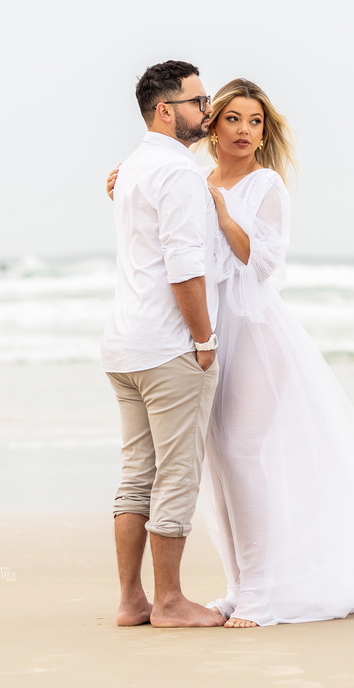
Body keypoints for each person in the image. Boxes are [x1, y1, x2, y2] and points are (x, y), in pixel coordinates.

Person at [107, 78, 354, 628]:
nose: (245, 130)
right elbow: (163, 209)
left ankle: (264, 594)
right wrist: (125, 180)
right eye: (233, 119)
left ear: (265, 134)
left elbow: (263, 265)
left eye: (256, 122)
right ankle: (240, 587)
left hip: (255, 336)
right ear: (212, 127)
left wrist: (222, 216)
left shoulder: (266, 186)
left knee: (243, 457)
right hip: (208, 335)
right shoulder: (194, 177)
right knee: (216, 466)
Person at [100, 60, 225, 628]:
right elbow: (183, 268)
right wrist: (204, 337)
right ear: (164, 109)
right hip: (167, 346)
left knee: (137, 475)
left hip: (124, 346)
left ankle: (132, 602)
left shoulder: (130, 170)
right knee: (176, 474)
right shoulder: (174, 174)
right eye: (198, 102)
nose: (208, 111)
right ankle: (170, 601)